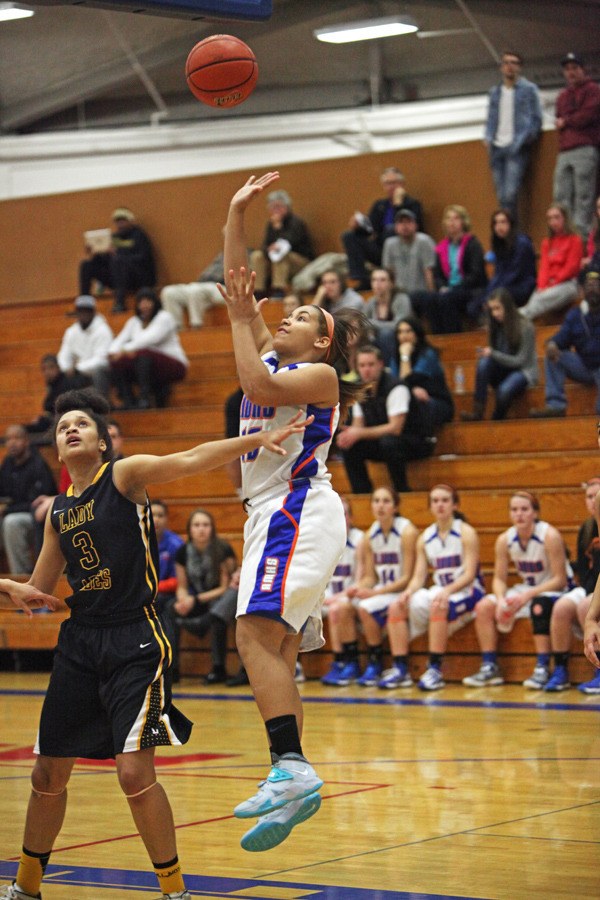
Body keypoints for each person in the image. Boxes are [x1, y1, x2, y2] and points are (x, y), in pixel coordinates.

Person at [0, 386, 311, 900]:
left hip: (135, 638)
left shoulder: (122, 477)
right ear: (57, 451)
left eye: (82, 424)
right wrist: (11, 589)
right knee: (46, 772)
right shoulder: (57, 510)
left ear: (103, 443)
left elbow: (189, 458)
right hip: (80, 642)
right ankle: (26, 887)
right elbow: (40, 594)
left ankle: (174, 891)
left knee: (132, 772)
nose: (71, 429)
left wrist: (255, 438)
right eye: (62, 428)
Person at [218, 170, 363, 853]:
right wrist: (235, 213)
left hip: (298, 508)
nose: (291, 315)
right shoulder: (273, 352)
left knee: (251, 634)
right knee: (272, 646)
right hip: (269, 514)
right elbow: (236, 279)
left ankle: (290, 768)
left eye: (307, 316)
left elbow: (253, 381)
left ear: (325, 342)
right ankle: (291, 778)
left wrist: (244, 324)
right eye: (292, 312)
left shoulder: (320, 378)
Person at [462, 490, 573, 690]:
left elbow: (560, 579)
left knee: (538, 606)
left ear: (535, 513)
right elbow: (499, 579)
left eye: (524, 509)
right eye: (514, 510)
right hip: (528, 589)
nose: (519, 514)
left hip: (555, 589)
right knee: (485, 606)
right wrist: (501, 599)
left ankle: (542, 667)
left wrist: (527, 596)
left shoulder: (549, 535)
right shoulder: (505, 539)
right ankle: (490, 666)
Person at [403, 484, 484, 691]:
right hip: (443, 590)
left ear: (455, 505)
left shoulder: (466, 532)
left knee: (438, 604)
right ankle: (399, 668)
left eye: (445, 500)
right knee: (397, 606)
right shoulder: (425, 538)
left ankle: (435, 670)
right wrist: (407, 593)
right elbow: (419, 577)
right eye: (435, 501)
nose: (440, 505)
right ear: (430, 506)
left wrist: (447, 591)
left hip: (469, 591)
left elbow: (469, 574)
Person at [338, 344, 436, 495]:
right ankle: (362, 494)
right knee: (350, 444)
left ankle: (402, 490)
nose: (366, 369)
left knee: (389, 442)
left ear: (381, 365)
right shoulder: (360, 388)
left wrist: (358, 433)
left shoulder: (396, 387)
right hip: (385, 443)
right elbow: (359, 425)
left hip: (415, 441)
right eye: (362, 365)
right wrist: (350, 434)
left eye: (371, 364)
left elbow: (395, 428)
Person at [353, 487, 418, 686]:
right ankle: (373, 662)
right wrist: (357, 587)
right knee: (355, 603)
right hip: (384, 591)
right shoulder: (369, 535)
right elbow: (370, 577)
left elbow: (407, 577)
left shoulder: (408, 532)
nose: (380, 505)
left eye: (386, 501)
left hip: (405, 591)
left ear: (396, 506)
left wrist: (374, 592)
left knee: (369, 607)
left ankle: (390, 664)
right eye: (376, 501)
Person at [544, 477, 600, 692]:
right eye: (589, 496)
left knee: (587, 605)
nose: (592, 501)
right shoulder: (586, 528)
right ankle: (559, 668)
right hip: (589, 585)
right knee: (561, 607)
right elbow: (585, 568)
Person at [172, 508, 237, 685]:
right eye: (197, 525)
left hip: (219, 597)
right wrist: (182, 599)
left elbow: (226, 588)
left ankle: (218, 668)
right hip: (198, 597)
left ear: (212, 528)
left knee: (218, 613)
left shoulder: (222, 549)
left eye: (206, 525)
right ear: (190, 529)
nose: (201, 529)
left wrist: (196, 599)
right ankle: (172, 667)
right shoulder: (182, 552)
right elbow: (182, 586)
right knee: (170, 608)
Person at [530, 270, 600, 417]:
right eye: (588, 286)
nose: (592, 288)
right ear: (581, 291)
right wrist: (552, 344)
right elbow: (562, 337)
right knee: (553, 355)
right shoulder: (575, 314)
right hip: (584, 366)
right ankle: (556, 406)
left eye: (596, 285)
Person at [461, 288, 538, 422]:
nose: (495, 313)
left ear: (507, 306)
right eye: (492, 309)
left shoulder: (526, 326)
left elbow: (521, 361)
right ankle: (477, 412)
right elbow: (494, 354)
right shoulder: (495, 326)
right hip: (503, 369)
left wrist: (493, 354)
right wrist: (490, 354)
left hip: (524, 371)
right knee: (484, 363)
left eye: (498, 308)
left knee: (504, 390)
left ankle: (497, 420)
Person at [342, 167, 424, 289]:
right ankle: (361, 278)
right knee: (349, 236)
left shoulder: (412, 204)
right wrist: (358, 226)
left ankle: (388, 278)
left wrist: (398, 205)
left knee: (390, 231)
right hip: (380, 249)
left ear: (402, 184)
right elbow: (370, 230)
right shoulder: (380, 205)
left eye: (393, 183)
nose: (390, 187)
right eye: (387, 184)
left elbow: (408, 227)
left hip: (403, 249)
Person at [484, 50, 542, 218]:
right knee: (502, 197)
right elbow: (491, 118)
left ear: (519, 67)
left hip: (516, 147)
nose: (509, 66)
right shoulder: (495, 92)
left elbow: (536, 118)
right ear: (501, 67)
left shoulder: (529, 89)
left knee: (510, 195)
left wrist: (527, 138)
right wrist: (488, 137)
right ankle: (508, 236)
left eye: (514, 63)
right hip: (496, 147)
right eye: (506, 63)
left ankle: (512, 236)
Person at [109, 288, 188, 409]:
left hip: (173, 364)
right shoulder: (134, 321)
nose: (144, 305)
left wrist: (124, 350)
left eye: (148, 301)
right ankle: (129, 401)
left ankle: (144, 399)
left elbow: (149, 340)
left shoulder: (165, 317)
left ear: (155, 303)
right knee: (117, 361)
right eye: (141, 302)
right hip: (147, 364)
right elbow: (119, 340)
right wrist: (114, 352)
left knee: (143, 354)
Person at [415, 205, 487, 334]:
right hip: (449, 290)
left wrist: (454, 288)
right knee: (430, 299)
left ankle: (453, 336)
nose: (452, 222)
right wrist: (442, 286)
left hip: (470, 289)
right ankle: (438, 337)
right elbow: (437, 275)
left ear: (463, 222)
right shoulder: (442, 247)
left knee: (446, 299)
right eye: (449, 219)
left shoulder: (473, 244)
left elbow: (476, 274)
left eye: (456, 218)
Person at [553, 52, 600, 240]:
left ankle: (582, 237)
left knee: (584, 195)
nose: (571, 72)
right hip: (565, 150)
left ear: (583, 69)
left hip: (585, 147)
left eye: (574, 68)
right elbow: (559, 118)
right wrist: (567, 121)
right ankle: (566, 235)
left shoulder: (594, 90)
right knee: (561, 194)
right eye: (567, 69)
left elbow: (587, 116)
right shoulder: (562, 96)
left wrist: (567, 120)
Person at [0, 424, 57, 575]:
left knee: (12, 522)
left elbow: (36, 504)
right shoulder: (7, 463)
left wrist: (6, 510)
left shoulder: (38, 465)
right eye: (8, 439)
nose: (12, 443)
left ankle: (21, 575)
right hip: (11, 511)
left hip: (38, 519)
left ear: (26, 441)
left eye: (17, 438)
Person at [320, 497, 365, 685]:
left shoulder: (360, 540)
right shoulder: (323, 541)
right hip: (329, 597)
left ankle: (346, 661)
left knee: (337, 608)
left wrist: (337, 597)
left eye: (344, 514)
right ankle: (295, 665)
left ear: (351, 518)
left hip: (353, 595)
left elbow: (361, 580)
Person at [79, 207, 156, 313]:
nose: (120, 224)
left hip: (139, 276)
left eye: (123, 221)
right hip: (118, 277)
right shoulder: (113, 238)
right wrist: (95, 252)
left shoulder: (139, 235)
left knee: (118, 260)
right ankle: (84, 306)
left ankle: (120, 303)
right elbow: (106, 261)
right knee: (86, 265)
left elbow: (144, 257)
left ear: (130, 221)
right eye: (117, 221)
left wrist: (119, 254)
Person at [468, 208, 537, 320]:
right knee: (473, 305)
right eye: (496, 223)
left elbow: (514, 273)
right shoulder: (500, 245)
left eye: (503, 222)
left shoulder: (522, 244)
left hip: (521, 286)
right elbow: (498, 274)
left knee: (496, 301)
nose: (499, 226)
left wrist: (493, 295)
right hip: (504, 286)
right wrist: (489, 294)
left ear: (511, 224)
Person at [519, 203, 583, 320]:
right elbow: (544, 267)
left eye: (556, 217)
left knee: (538, 299)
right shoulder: (547, 242)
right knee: (538, 297)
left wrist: (553, 283)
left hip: (568, 284)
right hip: (548, 285)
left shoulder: (575, 240)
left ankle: (518, 316)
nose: (553, 222)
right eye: (550, 218)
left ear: (565, 218)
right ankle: (521, 318)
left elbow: (571, 267)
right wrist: (542, 285)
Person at [248, 188, 314, 299]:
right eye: (273, 207)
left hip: (300, 262)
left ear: (287, 206)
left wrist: (278, 229)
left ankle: (279, 289)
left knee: (280, 255)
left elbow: (288, 244)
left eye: (278, 206)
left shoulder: (296, 222)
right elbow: (264, 245)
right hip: (277, 262)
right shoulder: (271, 224)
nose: (275, 210)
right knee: (257, 256)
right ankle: (258, 290)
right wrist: (268, 249)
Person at [392, 316, 454, 433]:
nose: (404, 336)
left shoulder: (428, 354)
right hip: (413, 400)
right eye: (400, 332)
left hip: (436, 402)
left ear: (417, 333)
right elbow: (396, 385)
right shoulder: (395, 357)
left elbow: (408, 380)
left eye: (408, 331)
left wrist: (405, 356)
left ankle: (425, 440)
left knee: (415, 403)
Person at [57, 295, 113, 396]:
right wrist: (66, 368)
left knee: (98, 373)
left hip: (97, 372)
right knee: (58, 376)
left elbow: (101, 360)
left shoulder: (103, 330)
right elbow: (63, 355)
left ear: (93, 312)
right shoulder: (71, 331)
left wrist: (78, 369)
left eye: (87, 311)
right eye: (80, 311)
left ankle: (102, 405)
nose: (83, 314)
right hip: (78, 372)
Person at [24, 354, 91, 439]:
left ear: (58, 368)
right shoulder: (52, 386)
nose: (47, 372)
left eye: (51, 367)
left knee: (24, 430)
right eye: (44, 369)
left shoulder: (66, 383)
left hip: (63, 420)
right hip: (55, 420)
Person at [382, 208, 436, 310]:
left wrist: (432, 297)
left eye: (408, 222)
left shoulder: (424, 241)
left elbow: (429, 271)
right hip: (399, 294)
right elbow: (388, 273)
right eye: (401, 222)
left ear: (416, 225)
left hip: (420, 294)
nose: (405, 226)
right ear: (396, 227)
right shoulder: (389, 244)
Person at [363, 267, 412, 368]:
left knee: (386, 333)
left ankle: (388, 369)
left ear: (391, 283)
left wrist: (372, 323)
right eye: (374, 280)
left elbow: (399, 325)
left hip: (401, 340)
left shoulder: (401, 299)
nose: (378, 284)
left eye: (382, 280)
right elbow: (363, 324)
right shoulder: (371, 303)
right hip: (376, 342)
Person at [150, 498, 184, 620]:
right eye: (152, 515)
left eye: (160, 515)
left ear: (167, 519)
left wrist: (151, 588)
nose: (156, 519)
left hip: (168, 594)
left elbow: (178, 580)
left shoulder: (176, 544)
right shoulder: (137, 542)